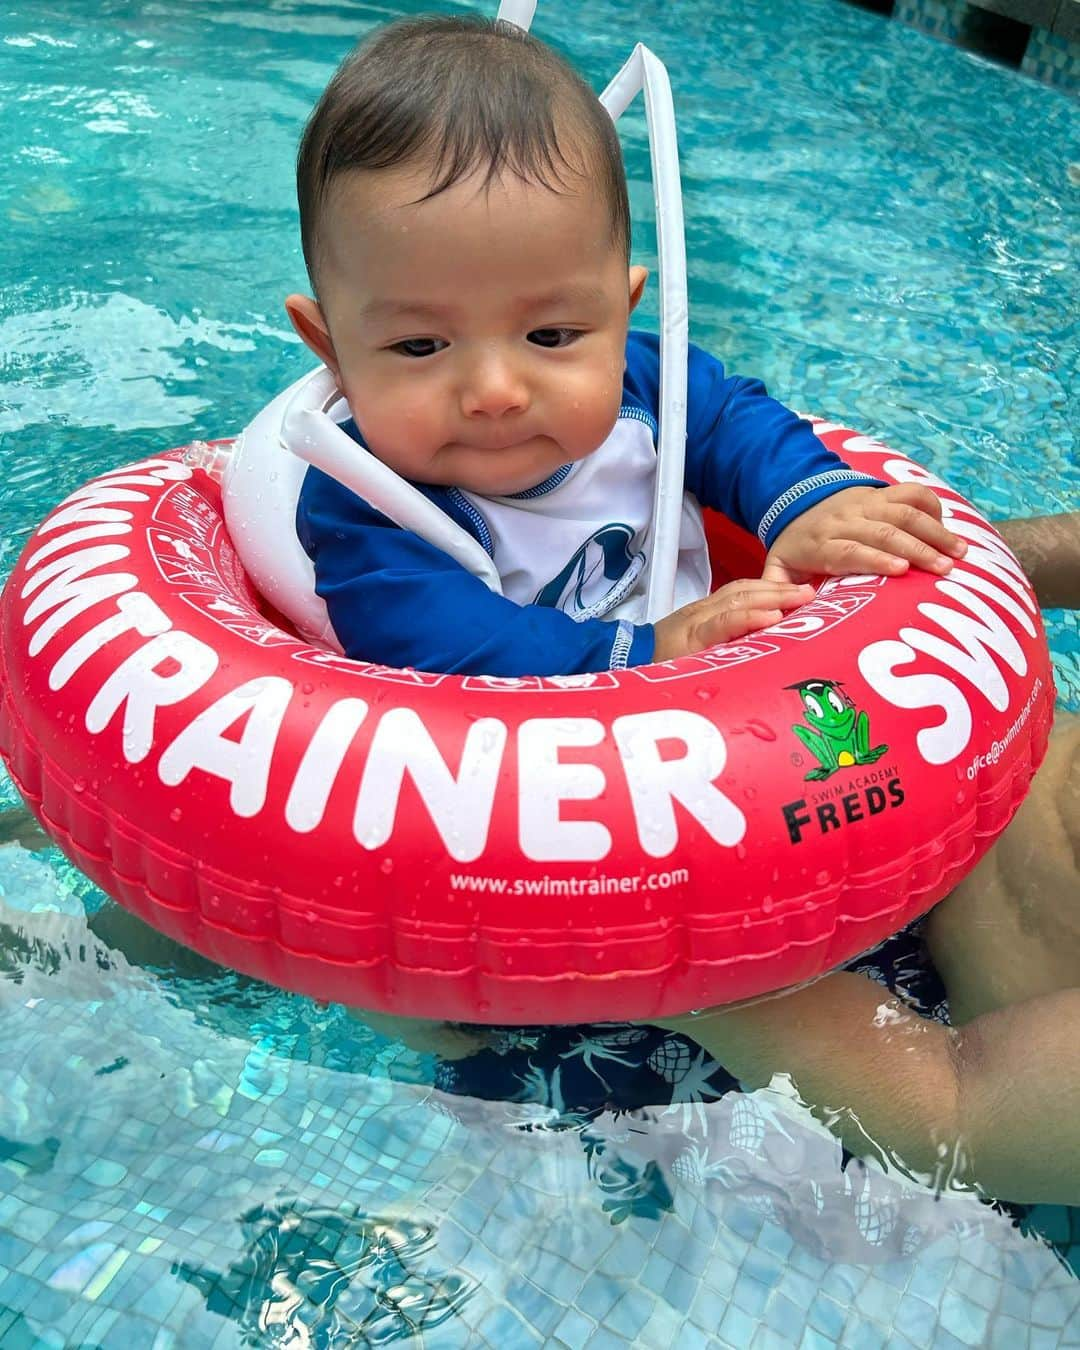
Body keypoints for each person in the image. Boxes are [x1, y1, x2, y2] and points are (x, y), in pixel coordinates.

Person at [367, 513, 1080, 1206]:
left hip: (896, 1039)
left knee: (508, 1091)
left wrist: (632, 939)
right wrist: (873, 591)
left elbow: (949, 1112)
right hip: (948, 773)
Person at [283, 15, 965, 677]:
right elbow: (446, 647)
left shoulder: (647, 383)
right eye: (421, 345)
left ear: (622, 310)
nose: (495, 391)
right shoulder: (363, 503)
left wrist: (806, 501)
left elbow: (733, 422)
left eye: (551, 335)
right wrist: (649, 652)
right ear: (331, 348)